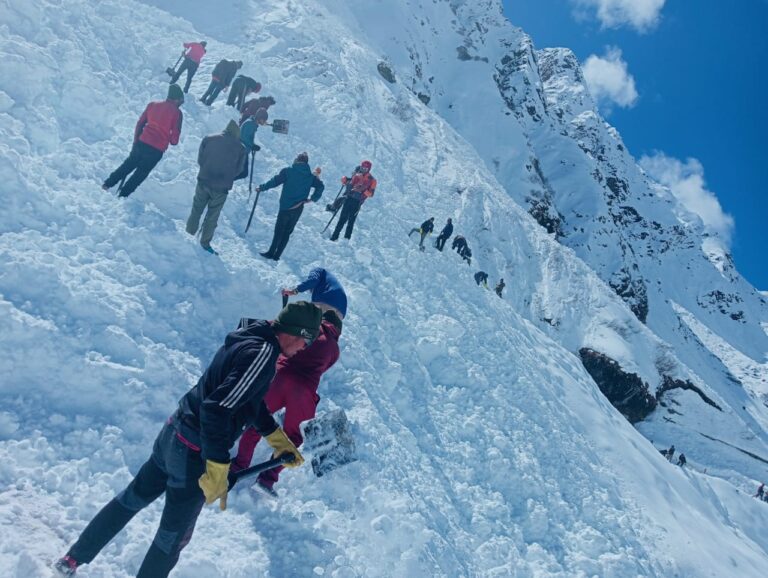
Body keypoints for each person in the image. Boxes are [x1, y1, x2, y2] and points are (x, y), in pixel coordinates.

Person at [53, 302, 323, 578]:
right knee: (172, 538)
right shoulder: (263, 355)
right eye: (307, 340)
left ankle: (72, 559)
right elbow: (216, 408)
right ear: (295, 332)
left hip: (174, 432)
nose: (305, 348)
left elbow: (245, 399)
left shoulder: (252, 336)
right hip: (193, 453)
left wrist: (275, 437)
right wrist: (217, 463)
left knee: (132, 498)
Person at [232, 268, 347, 495]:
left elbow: (277, 332)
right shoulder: (334, 350)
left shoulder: (308, 329)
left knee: (257, 422)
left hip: (279, 379)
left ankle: (239, 464)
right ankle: (268, 478)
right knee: (293, 437)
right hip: (303, 393)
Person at [102, 85, 184, 198]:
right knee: (140, 175)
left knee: (127, 166)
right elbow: (174, 140)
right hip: (156, 150)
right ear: (178, 99)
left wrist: (136, 141)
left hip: (141, 142)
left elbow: (140, 123)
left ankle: (107, 185)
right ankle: (123, 196)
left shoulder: (152, 105)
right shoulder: (177, 113)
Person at [185, 120, 246, 254]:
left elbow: (200, 159)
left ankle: (188, 235)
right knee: (212, 216)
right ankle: (205, 243)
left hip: (204, 180)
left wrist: (206, 169)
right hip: (221, 188)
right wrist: (227, 176)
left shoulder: (209, 139)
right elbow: (239, 170)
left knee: (196, 209)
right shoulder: (241, 148)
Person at [256, 152, 325, 261]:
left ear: (297, 160)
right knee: (287, 232)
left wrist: (262, 188)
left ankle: (270, 253)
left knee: (278, 230)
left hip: (285, 207)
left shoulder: (288, 171)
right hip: (298, 208)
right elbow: (321, 186)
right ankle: (277, 255)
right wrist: (313, 199)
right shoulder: (310, 177)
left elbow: (275, 182)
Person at [330, 160, 377, 242]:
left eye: (365, 168)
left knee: (351, 221)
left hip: (357, 202)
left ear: (369, 169)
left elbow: (371, 194)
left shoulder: (372, 180)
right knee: (342, 218)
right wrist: (345, 180)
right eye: (362, 167)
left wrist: (363, 190)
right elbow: (349, 183)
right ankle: (334, 237)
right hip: (349, 198)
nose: (363, 169)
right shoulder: (356, 175)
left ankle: (346, 239)